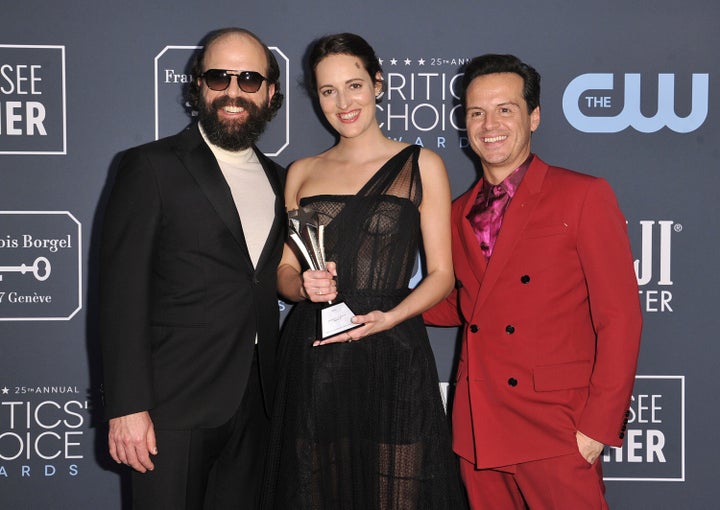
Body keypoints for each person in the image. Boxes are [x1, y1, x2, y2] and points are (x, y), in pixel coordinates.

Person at [424, 53, 643, 509]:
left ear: (534, 116)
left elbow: (619, 318)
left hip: (556, 427)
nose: (490, 125)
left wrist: (597, 428)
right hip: (479, 427)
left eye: (505, 109)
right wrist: (377, 300)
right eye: (477, 113)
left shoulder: (583, 194)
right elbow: (461, 304)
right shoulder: (456, 213)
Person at [262, 33, 467, 509]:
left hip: (393, 350)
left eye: (354, 85)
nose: (343, 102)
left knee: (400, 491)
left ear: (378, 84)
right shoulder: (302, 172)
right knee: (318, 492)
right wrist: (301, 287)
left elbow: (441, 275)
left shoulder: (421, 165)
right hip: (317, 355)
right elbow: (285, 270)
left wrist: (391, 317)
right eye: (328, 91)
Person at [99, 27, 285, 509]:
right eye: (218, 77)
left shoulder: (282, 179)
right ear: (198, 86)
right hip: (170, 407)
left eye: (248, 79)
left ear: (269, 91)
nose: (233, 91)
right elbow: (121, 297)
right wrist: (126, 406)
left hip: (258, 404)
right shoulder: (151, 166)